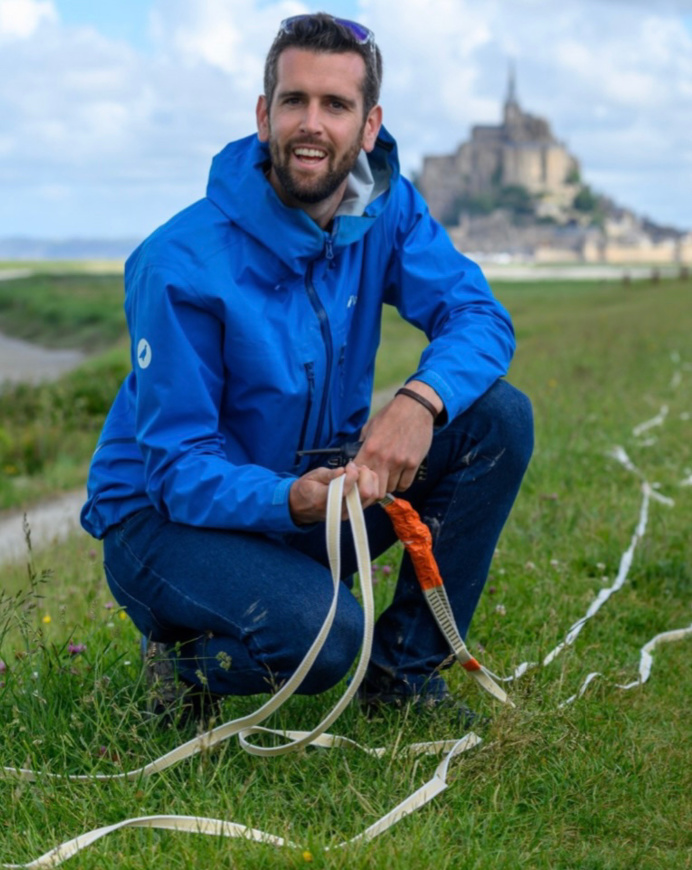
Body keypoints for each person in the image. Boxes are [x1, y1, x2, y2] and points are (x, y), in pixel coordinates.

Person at [80, 13, 534, 727]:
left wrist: (419, 401)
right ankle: (183, 666)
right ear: (264, 115)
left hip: (315, 495)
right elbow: (176, 472)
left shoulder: (387, 210)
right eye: (294, 101)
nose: (311, 125)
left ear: (370, 125)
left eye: (335, 104)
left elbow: (479, 316)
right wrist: (291, 498)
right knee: (328, 641)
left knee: (498, 419)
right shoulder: (178, 263)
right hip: (164, 522)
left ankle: (403, 682)